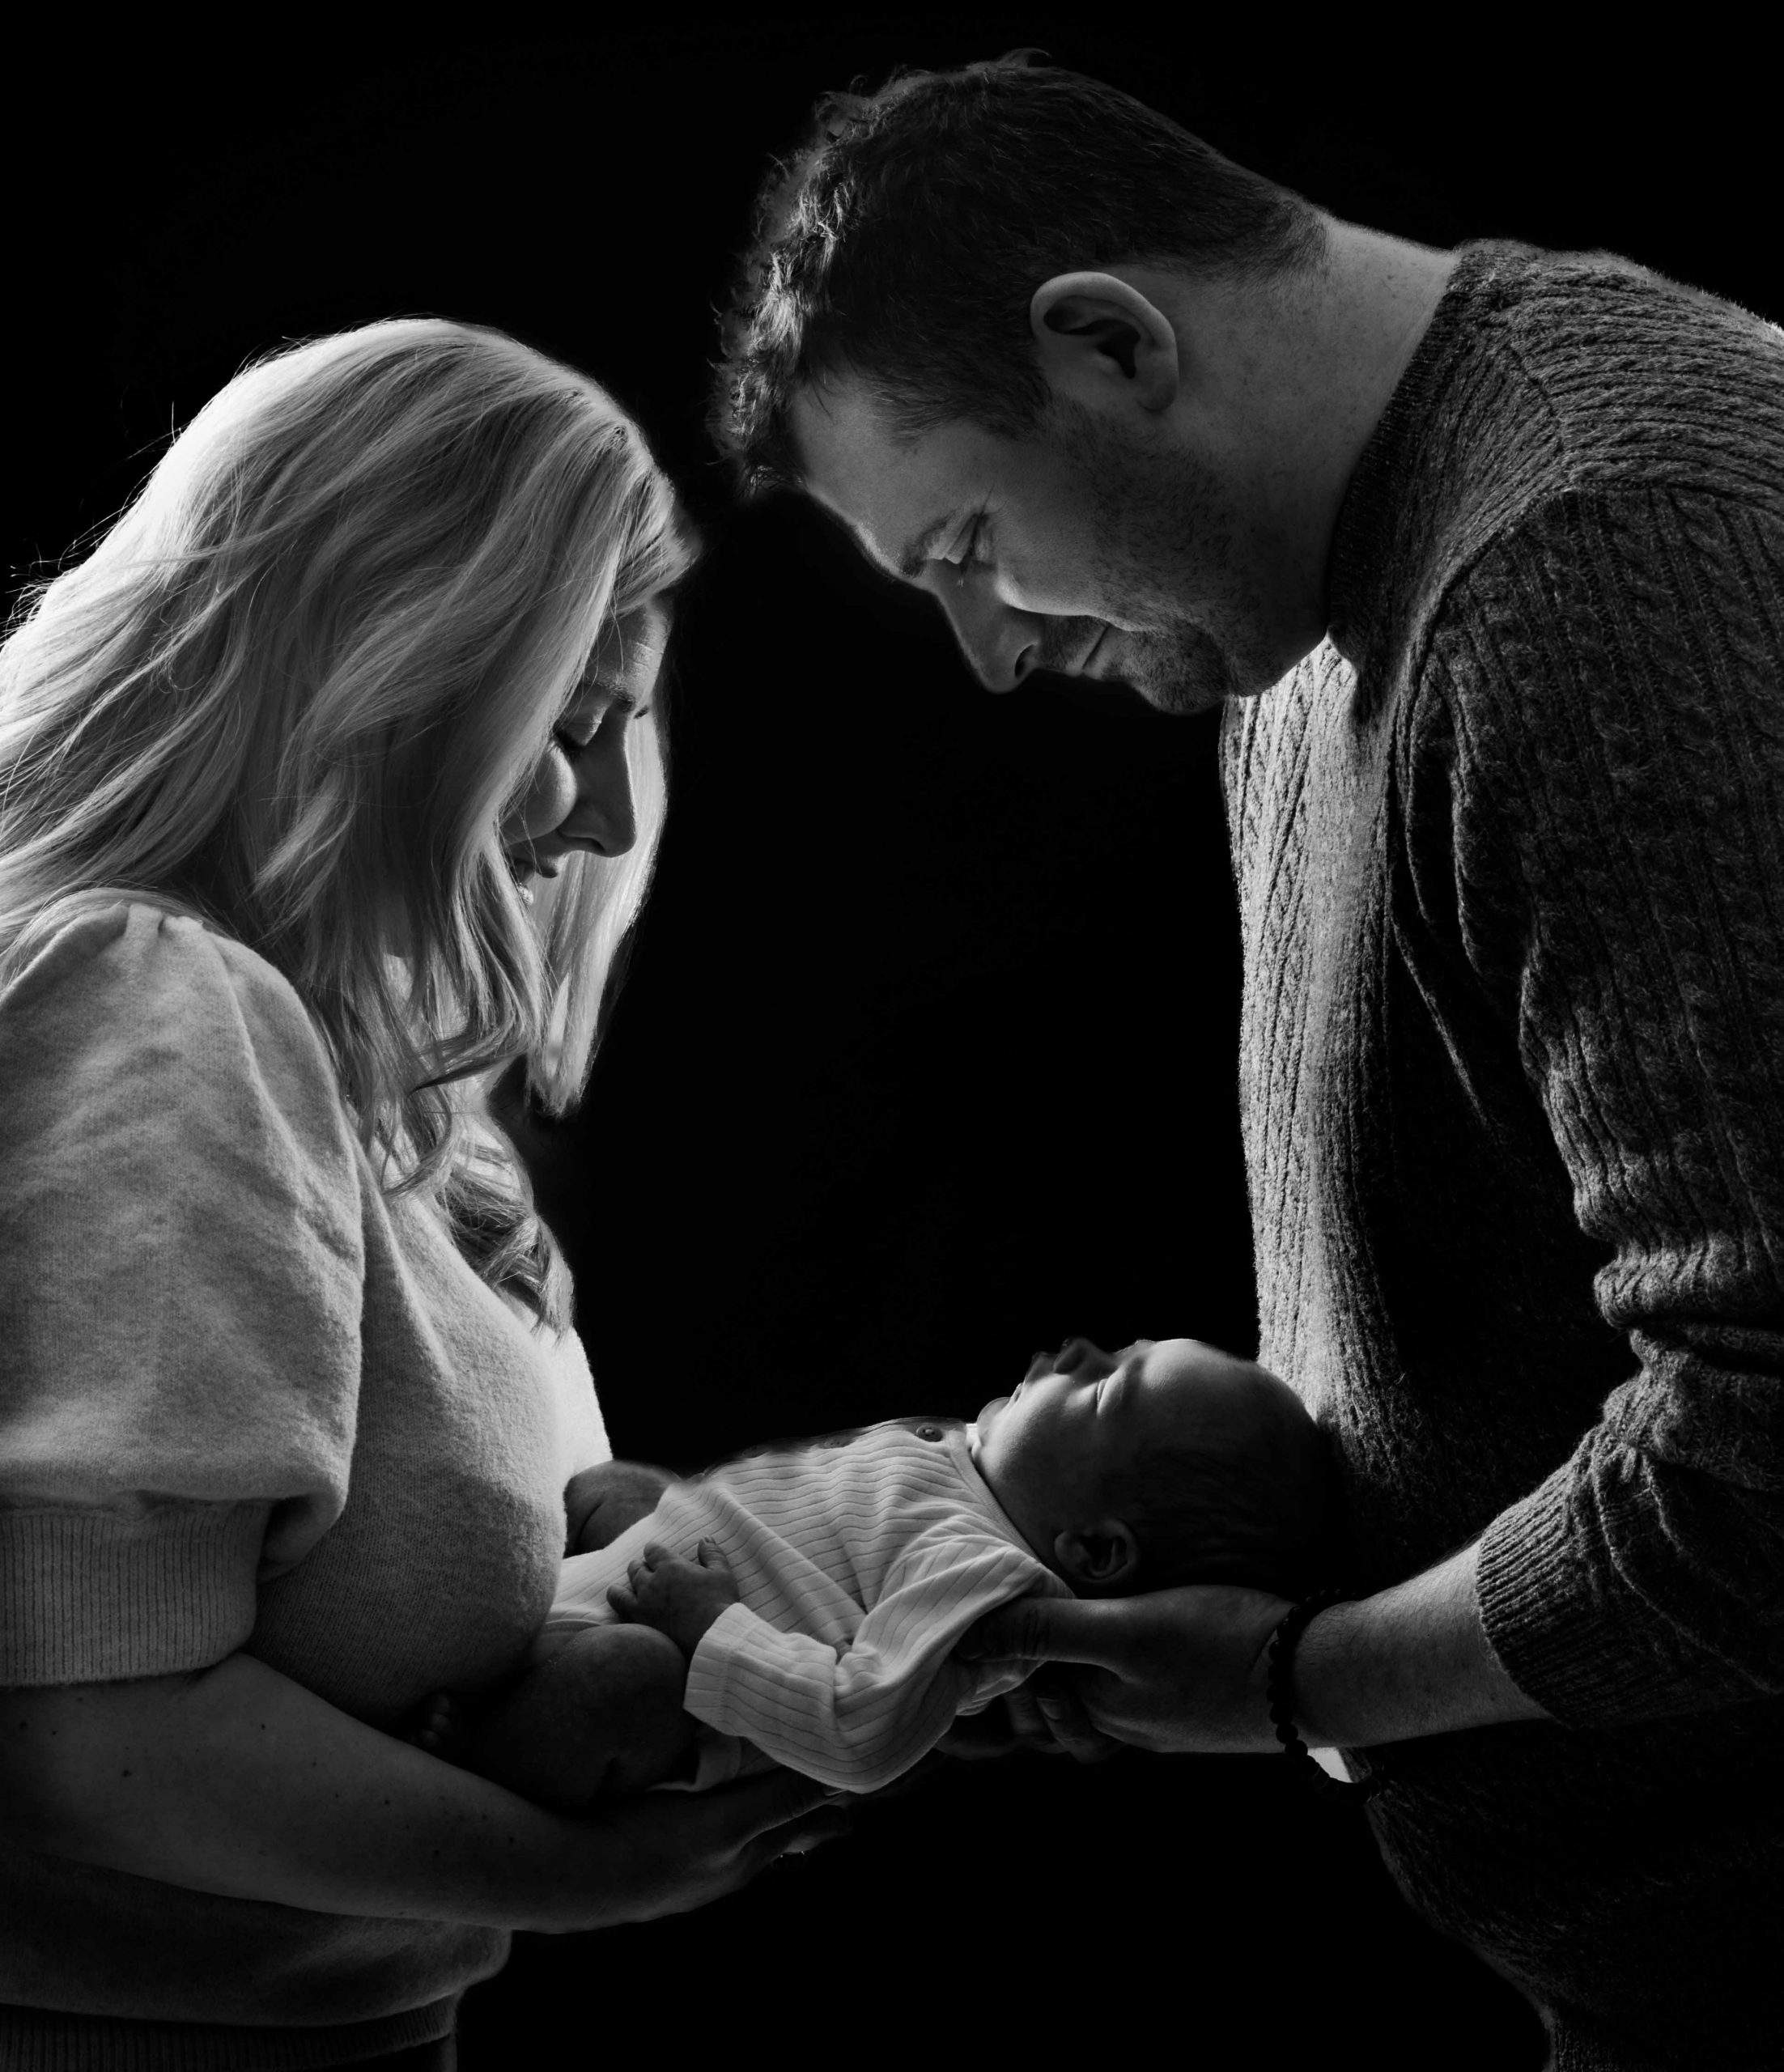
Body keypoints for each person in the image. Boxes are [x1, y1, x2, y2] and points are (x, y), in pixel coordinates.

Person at [707, 50, 1784, 2072]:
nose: (992, 650)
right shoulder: (1285, 639)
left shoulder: (1587, 565)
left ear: (1107, 343)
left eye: (964, 543)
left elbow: (1765, 1456)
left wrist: (1299, 1678)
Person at [0, 318, 848, 2070]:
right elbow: (87, 1729)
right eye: (574, 721)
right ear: (386, 669)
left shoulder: (367, 1083)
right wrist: (589, 1873)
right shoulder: (172, 1006)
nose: (610, 814)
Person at [414, 1335, 1332, 1802]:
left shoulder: (978, 1573)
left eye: (1103, 1386)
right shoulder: (974, 1466)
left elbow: (858, 1734)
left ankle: (472, 1775)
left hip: (665, 1660)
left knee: (622, 1683)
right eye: (1120, 1345)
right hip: (651, 1565)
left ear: (1092, 1551)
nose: (1080, 1348)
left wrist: (709, 1629)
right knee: (615, 1486)